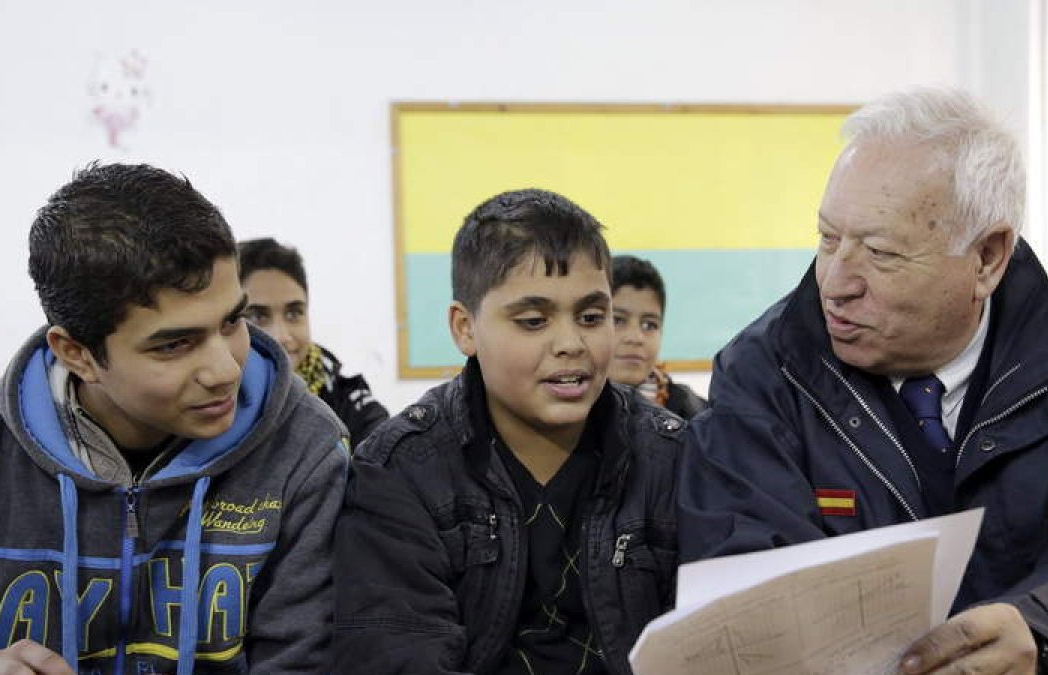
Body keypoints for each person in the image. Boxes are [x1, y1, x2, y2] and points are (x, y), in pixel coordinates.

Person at [679, 87, 1048, 674]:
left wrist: (1042, 635)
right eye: (829, 238)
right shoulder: (764, 377)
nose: (835, 282)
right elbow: (744, 583)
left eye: (880, 253)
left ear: (987, 257)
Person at [0, 164, 347, 675]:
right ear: (77, 354)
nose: (226, 370)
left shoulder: (306, 450)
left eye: (232, 321)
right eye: (174, 344)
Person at [332, 189, 684, 674]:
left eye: (591, 316)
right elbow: (395, 653)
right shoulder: (400, 473)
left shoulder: (672, 458)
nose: (570, 344)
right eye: (534, 320)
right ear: (465, 328)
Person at [238, 237, 390, 445]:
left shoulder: (347, 401)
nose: (281, 336)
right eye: (257, 316)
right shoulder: (211, 405)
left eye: (294, 313)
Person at [609, 254, 707, 421]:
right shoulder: (564, 413)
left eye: (649, 325)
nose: (636, 338)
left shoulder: (695, 417)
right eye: (617, 320)